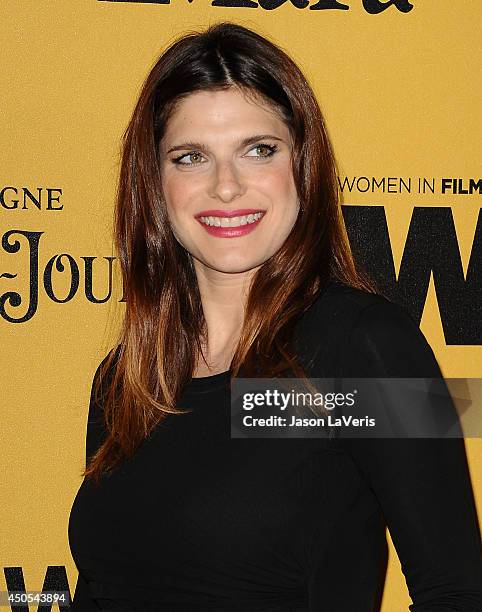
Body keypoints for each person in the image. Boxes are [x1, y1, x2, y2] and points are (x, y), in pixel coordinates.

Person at [68, 21, 482, 611]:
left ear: (303, 166)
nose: (226, 187)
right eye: (190, 158)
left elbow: (457, 592)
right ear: (155, 185)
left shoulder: (366, 350)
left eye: (258, 150)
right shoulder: (128, 377)